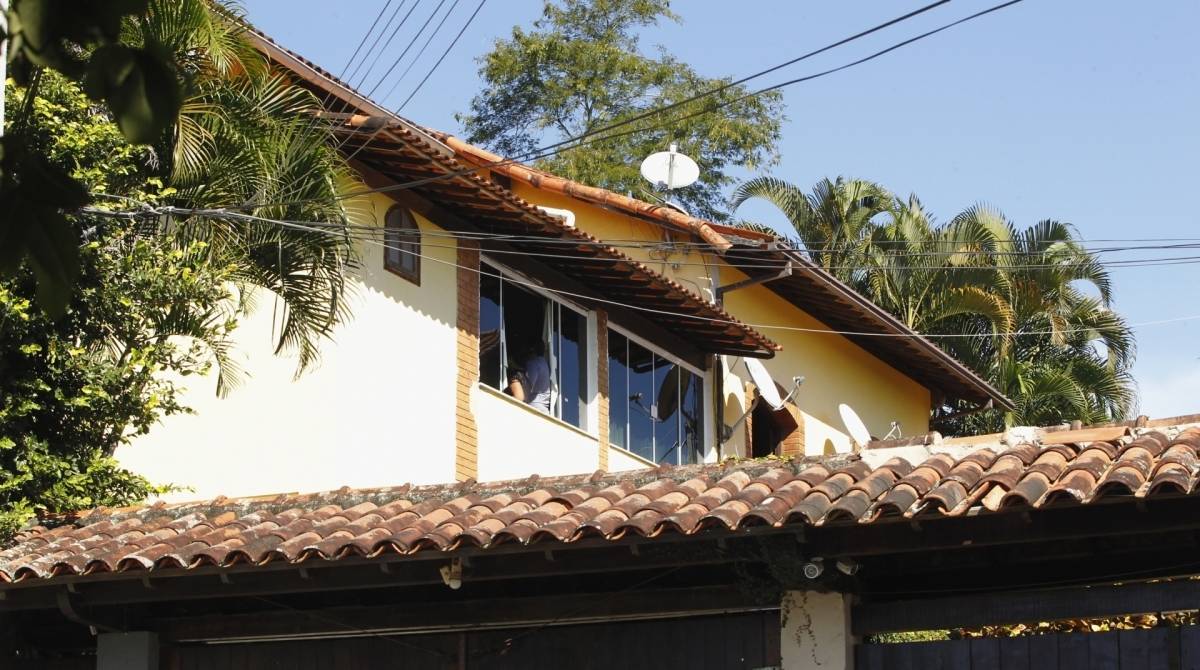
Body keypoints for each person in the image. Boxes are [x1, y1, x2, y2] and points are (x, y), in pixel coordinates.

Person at [508, 339, 551, 414]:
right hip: (543, 410)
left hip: (533, 409)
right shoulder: (544, 363)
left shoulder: (533, 363)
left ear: (531, 350)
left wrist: (515, 376)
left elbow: (525, 389)